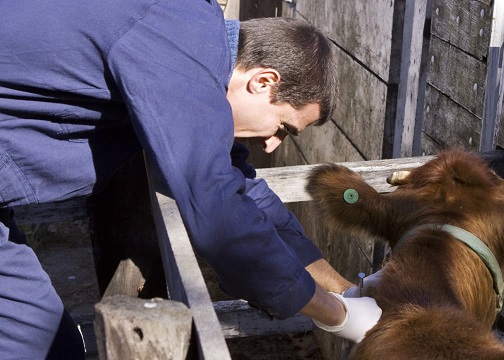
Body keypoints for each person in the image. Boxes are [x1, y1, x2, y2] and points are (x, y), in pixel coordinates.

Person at [0, 1, 381, 359]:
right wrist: (338, 316)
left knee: (44, 345)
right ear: (263, 81)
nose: (270, 144)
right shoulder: (175, 42)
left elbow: (241, 186)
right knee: (42, 346)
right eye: (283, 127)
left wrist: (346, 290)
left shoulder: (186, 43)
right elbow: (218, 211)